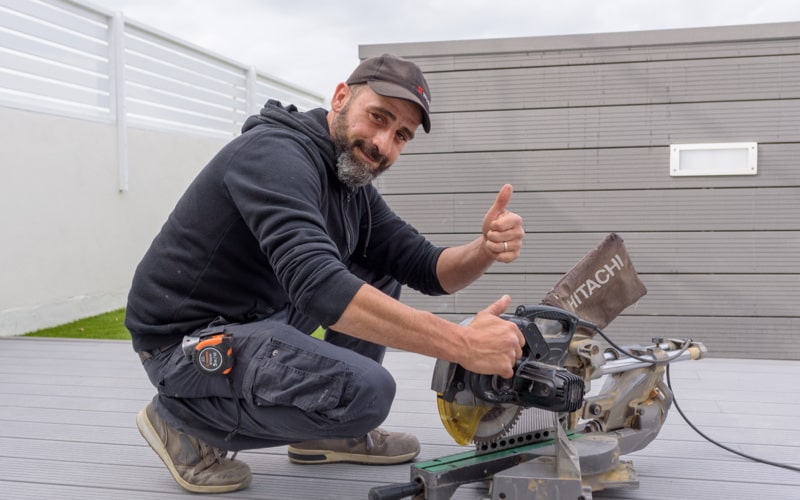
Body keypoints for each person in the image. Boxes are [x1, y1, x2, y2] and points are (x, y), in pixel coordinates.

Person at [126, 53, 526, 494]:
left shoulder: (350, 181)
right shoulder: (275, 155)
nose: (383, 144)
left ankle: (332, 434)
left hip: (256, 320)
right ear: (340, 98)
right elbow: (319, 287)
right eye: (378, 117)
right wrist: (462, 344)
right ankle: (181, 421)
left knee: (376, 267)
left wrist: (483, 248)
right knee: (368, 393)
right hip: (185, 345)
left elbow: (427, 269)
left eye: (401, 136)